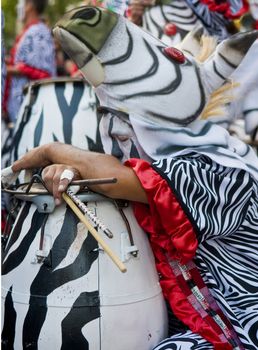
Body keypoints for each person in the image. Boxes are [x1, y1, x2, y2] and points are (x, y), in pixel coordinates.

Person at [3, 0, 56, 124]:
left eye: (22, 3)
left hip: (31, 109)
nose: (18, 7)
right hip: (21, 107)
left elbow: (39, 71)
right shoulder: (31, 31)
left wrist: (6, 69)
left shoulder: (38, 31)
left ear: (30, 6)